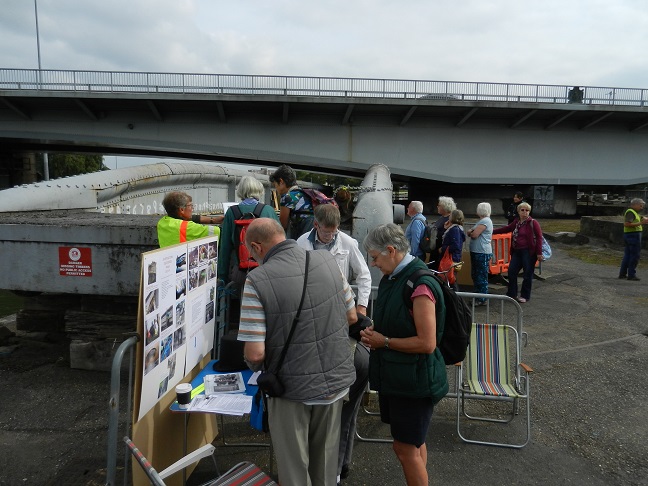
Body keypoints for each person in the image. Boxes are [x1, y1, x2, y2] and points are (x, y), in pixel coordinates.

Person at [237, 218, 357, 486]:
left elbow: (255, 354)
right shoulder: (327, 261)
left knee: (294, 468)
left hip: (291, 389)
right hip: (335, 381)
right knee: (325, 464)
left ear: (256, 247)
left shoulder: (256, 280)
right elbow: (351, 315)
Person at [359, 223, 448, 486]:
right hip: (401, 378)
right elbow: (402, 321)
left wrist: (383, 341)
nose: (373, 264)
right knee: (414, 445)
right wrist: (379, 329)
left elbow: (427, 342)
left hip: (414, 382)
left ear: (390, 250)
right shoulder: (396, 277)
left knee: (404, 449)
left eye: (375, 257)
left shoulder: (420, 284)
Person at [296, 204, 371, 483]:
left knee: (346, 402)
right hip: (312, 311)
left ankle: (340, 464)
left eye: (334, 232)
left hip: (343, 313)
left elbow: (363, 275)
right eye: (326, 232)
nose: (330, 237)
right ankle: (339, 465)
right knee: (344, 406)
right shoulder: (302, 243)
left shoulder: (348, 242)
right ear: (316, 225)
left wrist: (361, 310)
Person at [217, 176, 280, 288]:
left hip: (239, 273)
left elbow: (225, 247)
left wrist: (222, 276)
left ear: (241, 191)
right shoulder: (268, 210)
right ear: (259, 190)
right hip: (265, 271)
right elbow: (279, 243)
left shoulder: (232, 212)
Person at [493, 202, 544, 303]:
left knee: (527, 274)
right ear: (518, 211)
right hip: (517, 251)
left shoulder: (533, 223)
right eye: (522, 210)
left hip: (528, 252)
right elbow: (507, 229)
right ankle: (512, 293)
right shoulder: (516, 222)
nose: (525, 212)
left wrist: (539, 253)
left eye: (527, 210)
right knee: (512, 271)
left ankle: (525, 295)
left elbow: (539, 238)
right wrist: (492, 231)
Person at [157, 191, 221, 248]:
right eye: (190, 205)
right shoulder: (187, 227)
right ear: (181, 210)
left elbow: (191, 218)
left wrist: (212, 220)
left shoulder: (162, 223)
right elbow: (216, 231)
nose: (192, 208)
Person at [269, 164, 314, 239]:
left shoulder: (287, 198)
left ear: (281, 182)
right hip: (314, 235)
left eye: (275, 185)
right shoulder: (306, 194)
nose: (276, 189)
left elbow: (283, 225)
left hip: (300, 237)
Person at [467, 202, 493, 305]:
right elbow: (471, 232)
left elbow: (474, 234)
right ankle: (478, 295)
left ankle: (481, 298)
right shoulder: (482, 221)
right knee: (476, 274)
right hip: (478, 251)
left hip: (481, 252)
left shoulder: (485, 221)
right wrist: (471, 231)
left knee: (480, 275)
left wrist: (471, 231)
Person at [618, 198, 648, 281]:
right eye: (640, 205)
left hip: (630, 235)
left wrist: (643, 219)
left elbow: (638, 218)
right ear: (634, 205)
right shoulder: (631, 212)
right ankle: (631, 274)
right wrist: (641, 223)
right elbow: (627, 224)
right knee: (635, 255)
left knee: (627, 255)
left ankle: (623, 273)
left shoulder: (633, 212)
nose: (642, 207)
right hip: (633, 235)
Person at [439, 209, 466, 289]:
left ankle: (455, 297)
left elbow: (455, 245)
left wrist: (443, 249)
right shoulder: (458, 229)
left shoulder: (454, 230)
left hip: (451, 258)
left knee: (450, 279)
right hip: (455, 258)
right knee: (451, 278)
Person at [430, 196, 456, 270]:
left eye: (439, 205)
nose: (437, 207)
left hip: (441, 251)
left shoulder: (449, 219)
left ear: (445, 207)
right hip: (436, 249)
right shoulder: (442, 218)